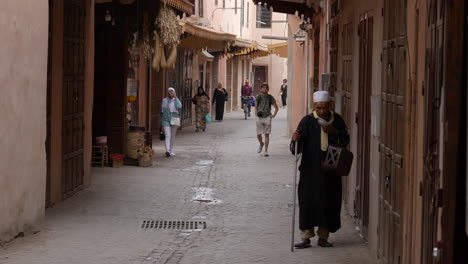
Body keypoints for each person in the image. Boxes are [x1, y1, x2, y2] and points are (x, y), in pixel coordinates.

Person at [291, 90, 350, 248]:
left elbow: (345, 140)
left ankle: (323, 237)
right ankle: (305, 237)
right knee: (307, 202)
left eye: (324, 108)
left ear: (330, 106)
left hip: (330, 170)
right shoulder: (307, 121)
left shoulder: (336, 120)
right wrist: (295, 139)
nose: (321, 111)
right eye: (318, 108)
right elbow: (297, 147)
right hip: (310, 169)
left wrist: (334, 132)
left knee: (328, 201)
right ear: (314, 107)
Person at [255, 83, 279, 157]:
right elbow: (256, 106)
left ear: (268, 89)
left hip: (267, 117)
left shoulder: (270, 97)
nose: (264, 89)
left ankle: (266, 150)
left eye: (266, 88)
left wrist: (273, 115)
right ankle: (261, 144)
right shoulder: (258, 96)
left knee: (267, 134)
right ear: (261, 89)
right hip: (259, 117)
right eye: (263, 88)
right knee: (258, 134)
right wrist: (256, 115)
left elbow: (276, 107)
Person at [160, 87, 182, 157]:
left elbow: (179, 106)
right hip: (166, 119)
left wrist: (175, 97)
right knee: (167, 135)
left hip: (174, 119)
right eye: (170, 92)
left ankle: (171, 150)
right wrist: (161, 122)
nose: (171, 93)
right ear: (168, 93)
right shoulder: (165, 100)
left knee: (172, 136)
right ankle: (167, 150)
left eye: (172, 92)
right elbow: (162, 111)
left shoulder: (176, 100)